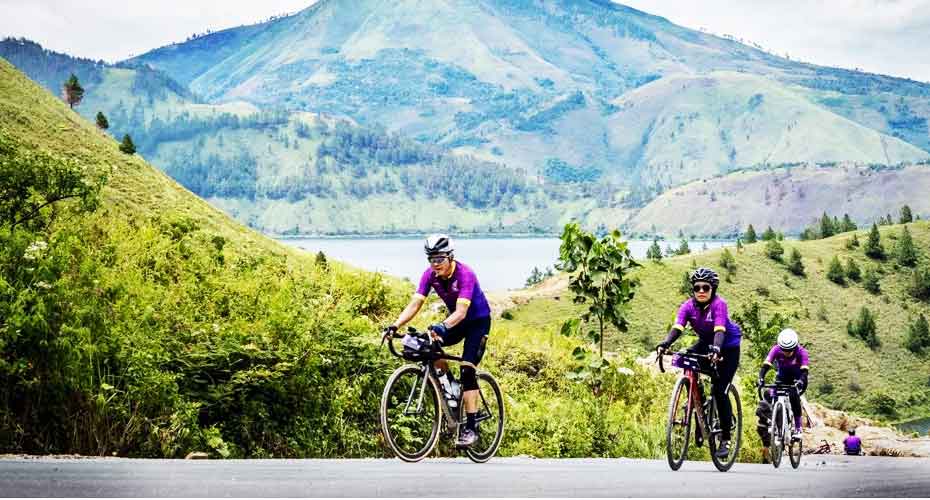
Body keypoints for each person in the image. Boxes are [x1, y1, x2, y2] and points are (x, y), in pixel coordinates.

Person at [382, 234, 491, 448]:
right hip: (456, 322)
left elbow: (461, 312)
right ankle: (450, 385)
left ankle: (471, 428)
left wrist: (442, 325)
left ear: (450, 256)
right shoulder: (429, 275)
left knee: (467, 370)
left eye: (439, 259)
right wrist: (395, 326)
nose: (435, 264)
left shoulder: (465, 274)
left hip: (477, 323)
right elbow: (415, 304)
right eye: (431, 259)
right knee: (429, 344)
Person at [657, 267, 742, 458]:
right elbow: (678, 327)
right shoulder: (688, 306)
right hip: (706, 343)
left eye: (706, 287)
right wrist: (665, 343)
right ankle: (698, 407)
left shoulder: (719, 304)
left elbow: (720, 329)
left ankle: (726, 439)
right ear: (693, 290)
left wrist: (717, 349)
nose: (701, 291)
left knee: (720, 391)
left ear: (713, 289)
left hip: (727, 347)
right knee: (684, 359)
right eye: (697, 288)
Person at [757, 328, 809, 442]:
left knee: (793, 396)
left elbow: (805, 372)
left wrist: (800, 382)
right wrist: (760, 377)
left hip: (799, 379)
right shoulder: (776, 349)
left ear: (795, 347)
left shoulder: (802, 352)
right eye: (784, 350)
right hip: (782, 378)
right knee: (772, 395)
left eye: (789, 350)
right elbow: (766, 365)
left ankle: (798, 428)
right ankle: (776, 421)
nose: (786, 352)